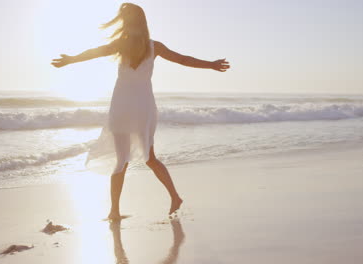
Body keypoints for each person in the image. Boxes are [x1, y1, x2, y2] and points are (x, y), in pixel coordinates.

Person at [51, 3, 230, 220]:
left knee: (121, 160)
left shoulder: (121, 45)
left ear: (126, 23)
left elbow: (93, 53)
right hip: (143, 106)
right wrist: (210, 65)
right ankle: (173, 196)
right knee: (150, 158)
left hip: (122, 106)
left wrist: (71, 59)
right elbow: (184, 59)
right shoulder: (154, 46)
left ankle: (114, 211)